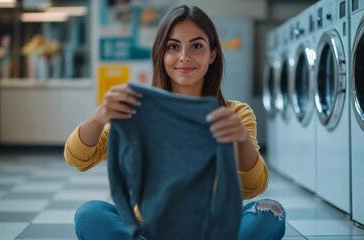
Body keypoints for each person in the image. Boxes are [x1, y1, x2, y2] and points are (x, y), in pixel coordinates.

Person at [64, 4, 286, 240]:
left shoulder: (234, 113)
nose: (184, 57)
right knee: (91, 215)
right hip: (151, 228)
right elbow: (77, 158)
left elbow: (254, 187)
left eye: (196, 46)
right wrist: (99, 116)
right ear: (161, 53)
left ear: (212, 54)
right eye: (173, 46)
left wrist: (240, 139)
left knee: (269, 212)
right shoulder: (138, 111)